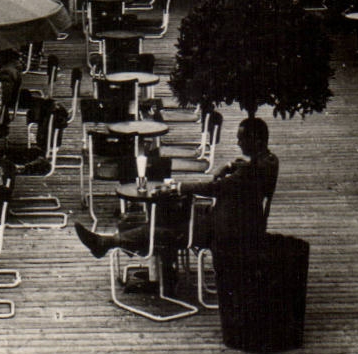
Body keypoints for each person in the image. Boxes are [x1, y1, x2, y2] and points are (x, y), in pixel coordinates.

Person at [73, 117, 279, 284]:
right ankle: (157, 266)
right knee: (166, 215)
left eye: (242, 139)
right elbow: (242, 173)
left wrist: (180, 186)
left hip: (225, 229)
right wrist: (230, 165)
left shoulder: (251, 172)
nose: (238, 143)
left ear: (256, 140)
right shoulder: (267, 162)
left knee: (164, 228)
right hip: (232, 221)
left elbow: (214, 188)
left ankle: (109, 242)